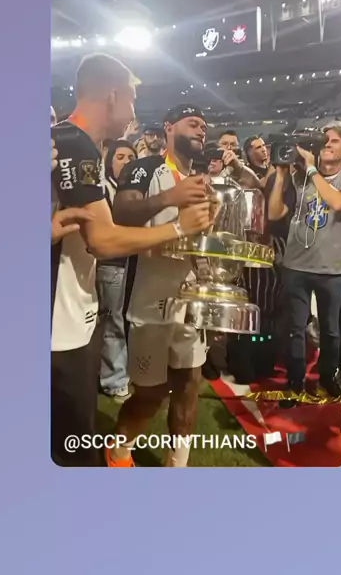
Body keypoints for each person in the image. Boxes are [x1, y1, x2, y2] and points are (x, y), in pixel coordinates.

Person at [50, 56, 212, 466]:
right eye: (133, 99)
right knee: (72, 448)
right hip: (62, 320)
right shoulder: (73, 142)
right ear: (113, 95)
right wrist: (179, 226)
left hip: (80, 311)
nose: (134, 112)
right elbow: (104, 238)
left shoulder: (78, 144)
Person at [107, 104, 214, 468]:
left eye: (204, 126)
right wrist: (171, 197)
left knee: (188, 385)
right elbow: (121, 214)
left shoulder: (200, 180)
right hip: (148, 300)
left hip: (190, 299)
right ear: (169, 127)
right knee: (151, 394)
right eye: (193, 123)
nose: (201, 130)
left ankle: (176, 468)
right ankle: (119, 452)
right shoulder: (145, 167)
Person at [273, 123, 341, 397]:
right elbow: (274, 213)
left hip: (333, 268)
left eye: (335, 141)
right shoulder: (300, 177)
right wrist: (281, 175)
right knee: (295, 328)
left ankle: (327, 377)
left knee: (331, 330)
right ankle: (295, 379)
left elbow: (338, 203)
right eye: (324, 140)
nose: (327, 144)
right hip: (296, 265)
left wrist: (311, 169)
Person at [97, 139, 138, 401]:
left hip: (131, 264)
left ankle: (117, 372)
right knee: (114, 324)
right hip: (112, 266)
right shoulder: (104, 189)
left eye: (131, 158)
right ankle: (113, 380)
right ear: (109, 161)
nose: (126, 162)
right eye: (120, 157)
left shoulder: (133, 191)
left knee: (121, 322)